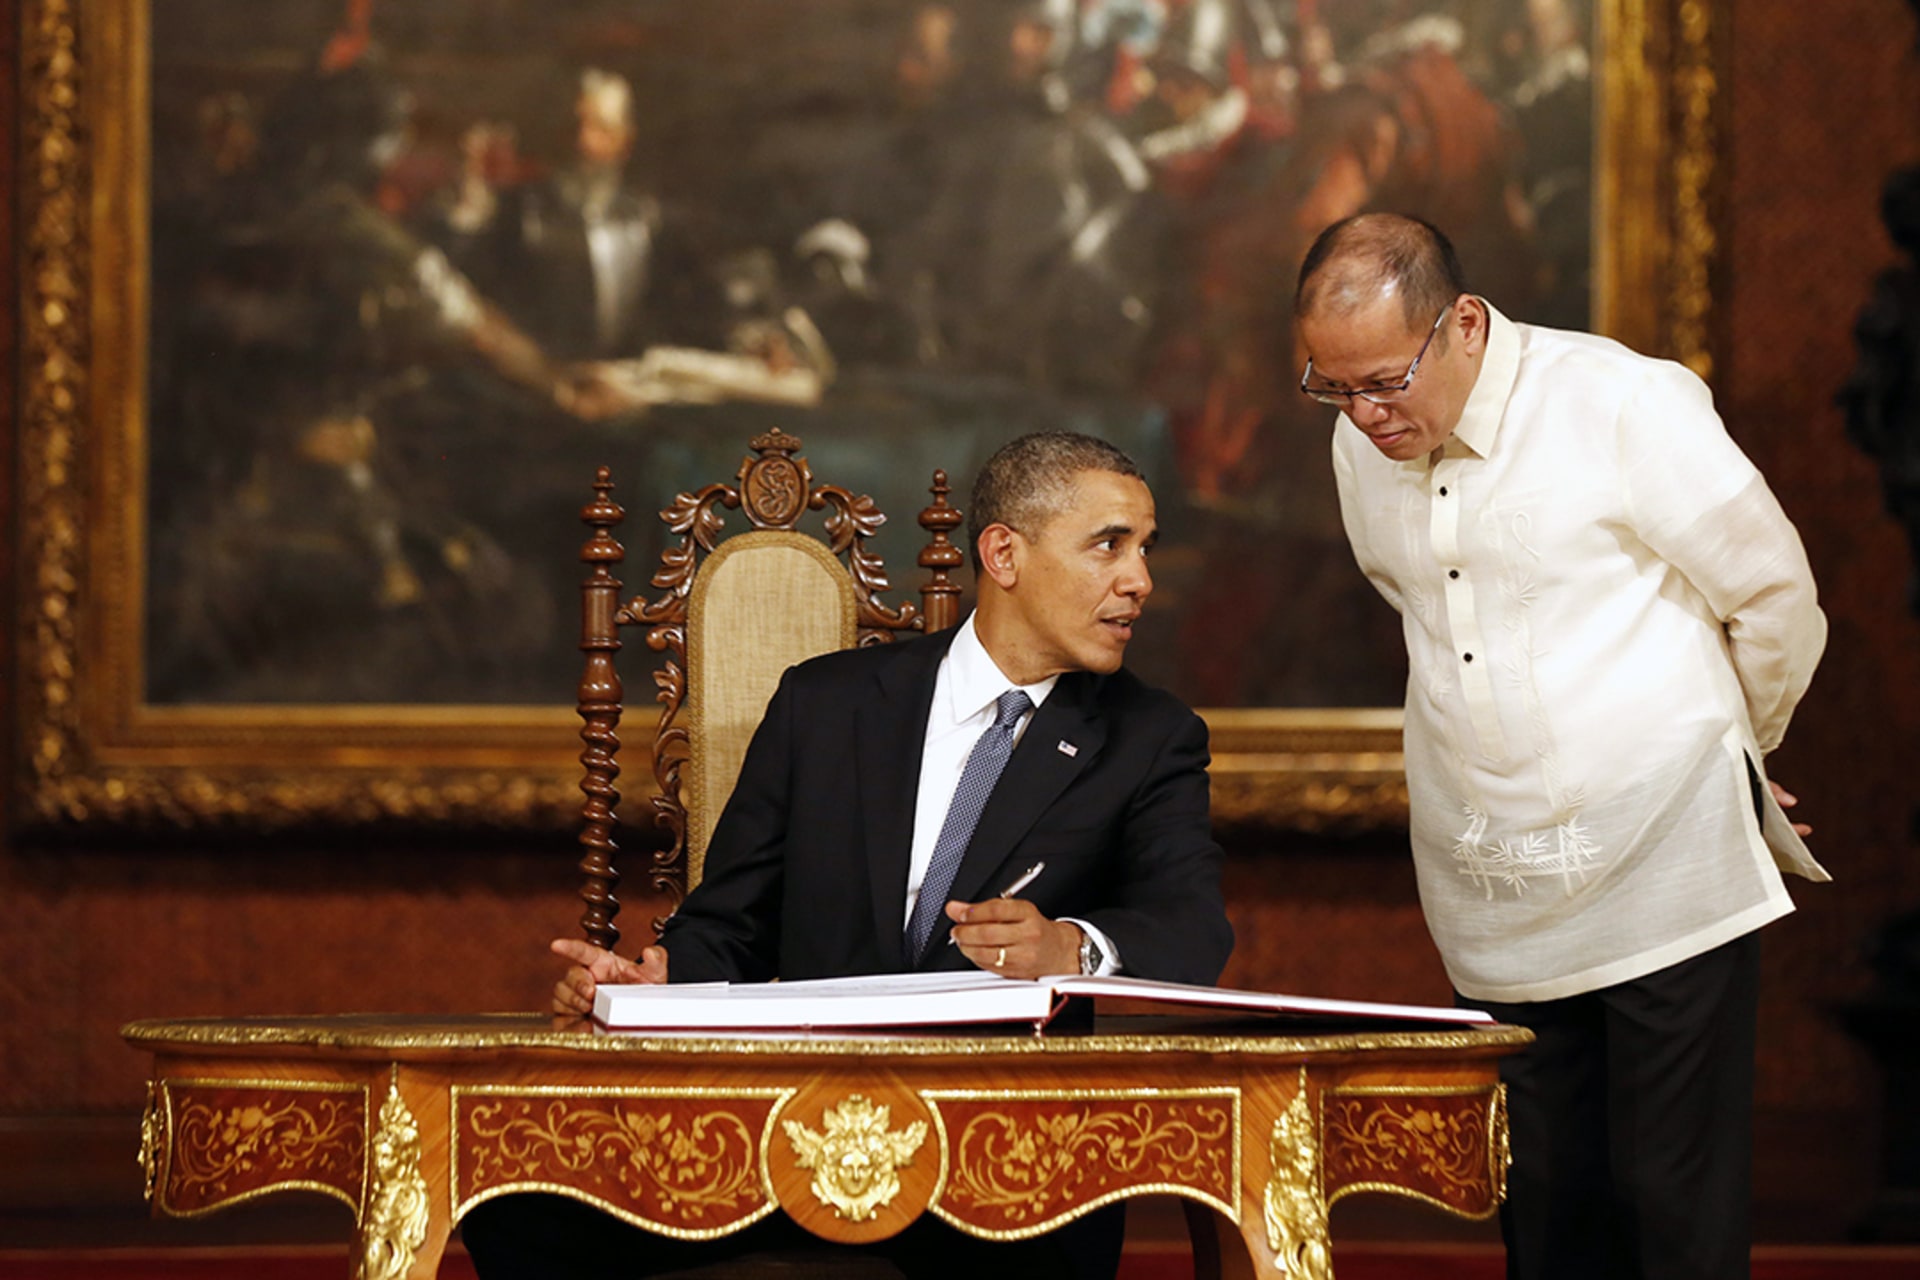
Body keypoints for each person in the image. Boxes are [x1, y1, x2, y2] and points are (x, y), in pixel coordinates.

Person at [461, 430, 1235, 1280]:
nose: (1141, 581)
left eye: (1145, 549)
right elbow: (730, 925)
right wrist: (655, 983)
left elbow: (1192, 930)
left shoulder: (1149, 738)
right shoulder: (823, 705)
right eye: (1109, 545)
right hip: (780, 1131)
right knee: (516, 1205)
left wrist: (1071, 948)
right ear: (1004, 553)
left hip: (1002, 1166)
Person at [1293, 213, 1827, 1280]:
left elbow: (1777, 598)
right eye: (1330, 385)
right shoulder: (1360, 441)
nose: (1363, 413)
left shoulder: (1622, 401)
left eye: (1386, 379)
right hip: (1497, 880)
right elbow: (1426, 615)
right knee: (1544, 1206)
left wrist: (1733, 758)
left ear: (1465, 324)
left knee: (1672, 1204)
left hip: (1665, 860)